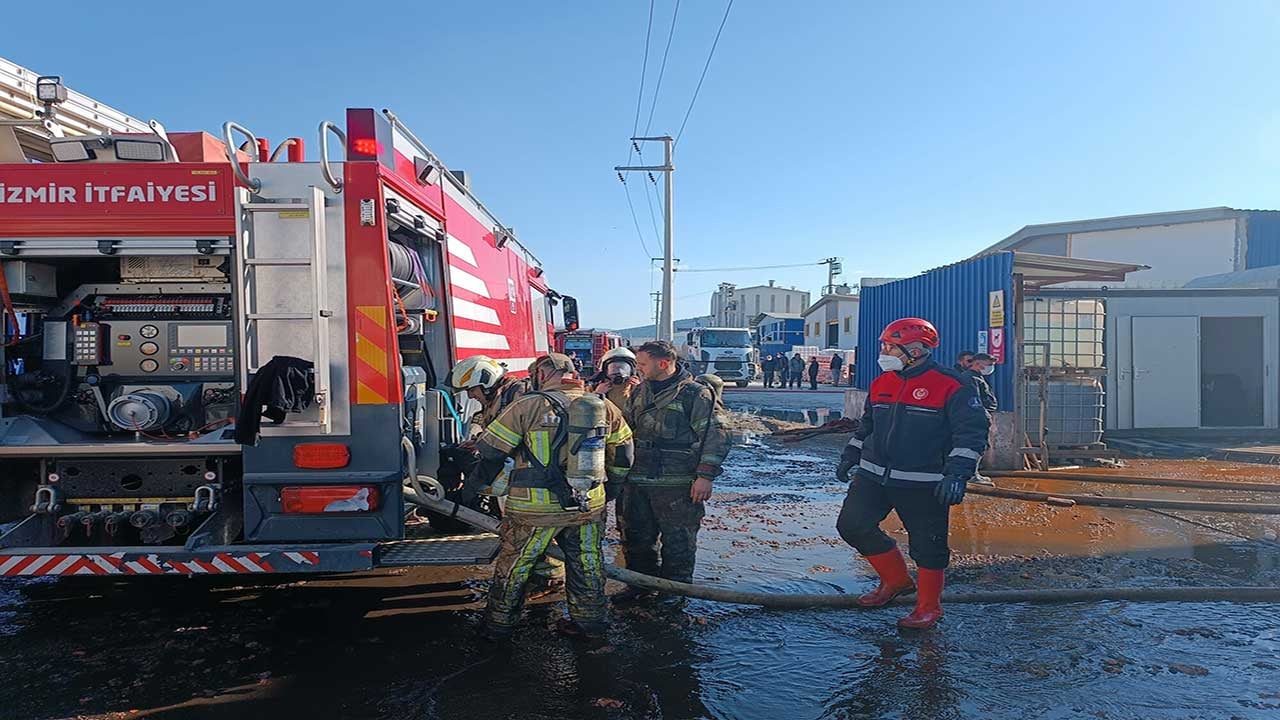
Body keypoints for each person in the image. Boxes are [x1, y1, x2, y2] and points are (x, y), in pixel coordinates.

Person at [463, 353, 634, 640]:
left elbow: (491, 452)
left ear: (542, 374)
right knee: (587, 563)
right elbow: (625, 453)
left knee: (516, 565)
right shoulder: (602, 406)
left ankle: (498, 627)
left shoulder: (527, 405)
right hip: (587, 505)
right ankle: (590, 625)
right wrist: (610, 490)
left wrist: (471, 490)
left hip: (533, 509)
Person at [835, 318, 989, 630]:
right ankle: (896, 581)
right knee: (852, 526)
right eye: (884, 346)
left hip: (923, 481)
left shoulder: (953, 384)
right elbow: (867, 426)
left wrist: (957, 475)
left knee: (928, 546)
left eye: (890, 347)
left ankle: (929, 608)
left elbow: (972, 433)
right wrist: (851, 454)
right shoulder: (882, 382)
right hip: (873, 475)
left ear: (916, 351)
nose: (883, 352)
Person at [619, 340, 731, 603]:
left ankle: (673, 594)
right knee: (636, 537)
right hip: (637, 478)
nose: (638, 368)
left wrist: (705, 476)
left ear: (663, 363)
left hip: (677, 482)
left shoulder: (695, 394)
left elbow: (717, 435)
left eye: (643, 364)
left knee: (678, 541)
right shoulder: (640, 391)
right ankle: (639, 586)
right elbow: (626, 429)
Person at [448, 355, 565, 592]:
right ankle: (543, 576)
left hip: (535, 479)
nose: (470, 396)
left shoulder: (517, 396)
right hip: (527, 475)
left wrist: (472, 486)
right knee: (529, 533)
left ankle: (549, 579)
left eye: (472, 390)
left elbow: (506, 444)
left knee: (534, 533)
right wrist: (479, 441)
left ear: (486, 382)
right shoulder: (503, 396)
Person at [591, 346, 642, 411]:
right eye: (614, 369)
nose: (619, 372)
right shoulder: (593, 388)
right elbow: (584, 409)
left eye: (624, 368)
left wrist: (640, 390)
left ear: (632, 371)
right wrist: (597, 394)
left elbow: (648, 409)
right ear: (605, 371)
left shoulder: (637, 389)